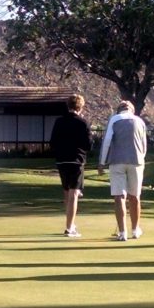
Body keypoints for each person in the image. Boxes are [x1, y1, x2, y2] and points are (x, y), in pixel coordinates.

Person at [100, 99, 148, 241]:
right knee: (135, 196)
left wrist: (102, 162)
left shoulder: (114, 119)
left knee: (119, 196)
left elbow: (107, 141)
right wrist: (141, 159)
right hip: (137, 161)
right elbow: (144, 145)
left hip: (117, 162)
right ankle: (135, 230)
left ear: (119, 109)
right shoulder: (139, 121)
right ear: (132, 110)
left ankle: (122, 232)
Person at [49, 94, 93, 237]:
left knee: (67, 191)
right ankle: (69, 228)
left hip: (62, 160)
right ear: (80, 107)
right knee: (74, 192)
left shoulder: (59, 121)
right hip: (76, 160)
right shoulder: (83, 122)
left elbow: (53, 142)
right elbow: (88, 145)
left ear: (68, 106)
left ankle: (70, 223)